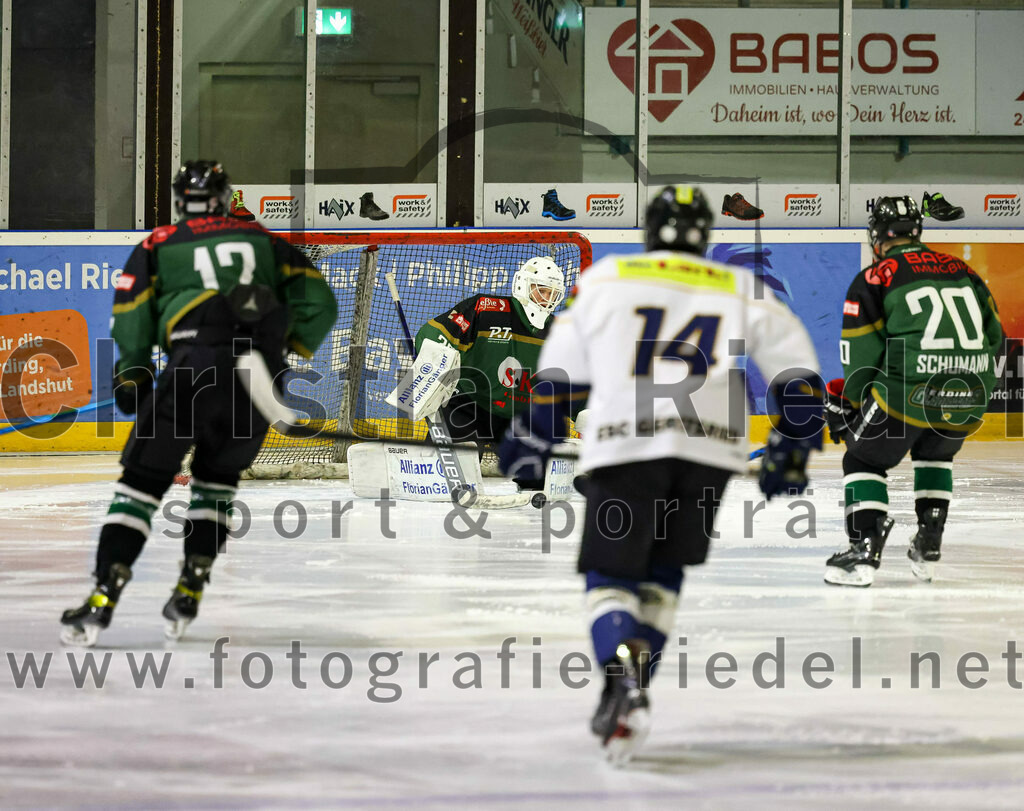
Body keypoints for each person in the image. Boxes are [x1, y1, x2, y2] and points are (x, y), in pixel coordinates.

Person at [497, 185, 823, 764]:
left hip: (627, 443)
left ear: (651, 229)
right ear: (706, 233)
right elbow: (798, 377)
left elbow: (561, 374)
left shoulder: (611, 277)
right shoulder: (738, 285)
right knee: (664, 573)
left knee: (609, 575)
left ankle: (622, 683)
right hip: (710, 451)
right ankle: (632, 689)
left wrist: (534, 434)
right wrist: (792, 444)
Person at [60, 160, 337, 646]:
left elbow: (131, 313)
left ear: (179, 200)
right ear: (226, 196)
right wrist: (278, 350)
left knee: (141, 486)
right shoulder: (265, 242)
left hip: (193, 367)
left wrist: (133, 373)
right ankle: (191, 585)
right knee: (217, 483)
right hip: (257, 384)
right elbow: (320, 303)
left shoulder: (158, 243)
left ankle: (104, 594)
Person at [823, 195, 1004, 587]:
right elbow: (995, 337)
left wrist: (850, 404)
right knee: (934, 456)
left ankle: (864, 551)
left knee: (863, 460)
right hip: (970, 394)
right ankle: (929, 544)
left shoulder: (876, 276)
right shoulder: (963, 270)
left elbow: (862, 353)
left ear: (878, 235)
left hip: (906, 393)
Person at [409, 256, 567, 487]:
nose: (546, 299)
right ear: (523, 286)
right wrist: (438, 364)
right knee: (444, 478)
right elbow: (432, 334)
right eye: (541, 291)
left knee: (541, 478)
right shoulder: (486, 308)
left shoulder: (557, 332)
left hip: (517, 417)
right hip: (467, 406)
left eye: (553, 294)